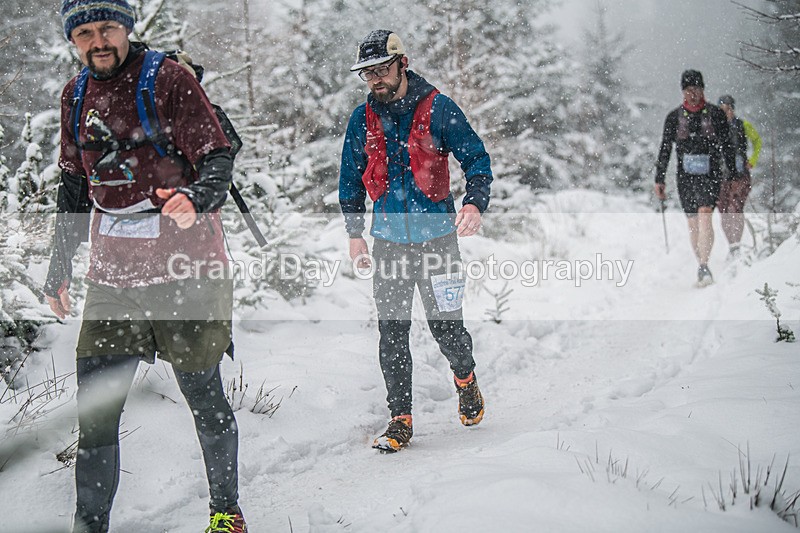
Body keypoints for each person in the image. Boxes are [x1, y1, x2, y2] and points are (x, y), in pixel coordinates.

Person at [45, 1, 246, 531]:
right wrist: (58, 266)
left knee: (203, 395)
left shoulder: (169, 79)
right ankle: (90, 525)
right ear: (74, 40)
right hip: (114, 282)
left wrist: (195, 199)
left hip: (187, 271)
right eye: (84, 33)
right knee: (96, 416)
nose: (98, 41)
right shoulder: (76, 94)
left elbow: (218, 156)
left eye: (106, 28)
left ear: (127, 28)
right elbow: (72, 185)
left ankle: (226, 512)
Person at [339, 30, 492, 452]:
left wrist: (474, 204)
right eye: (366, 73)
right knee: (392, 333)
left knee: (447, 329)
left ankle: (466, 379)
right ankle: (400, 419)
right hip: (388, 243)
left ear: (402, 64)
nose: (374, 79)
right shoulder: (361, 119)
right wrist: (355, 235)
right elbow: (350, 180)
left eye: (381, 69)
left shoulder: (439, 108)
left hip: (439, 241)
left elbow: (477, 159)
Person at [654, 69, 738, 287]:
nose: (693, 94)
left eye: (697, 89)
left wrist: (733, 173)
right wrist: (659, 178)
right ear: (683, 92)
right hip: (685, 177)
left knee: (705, 214)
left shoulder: (716, 114)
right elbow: (665, 149)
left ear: (703, 90)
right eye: (689, 90)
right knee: (693, 224)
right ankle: (700, 263)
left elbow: (728, 146)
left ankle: (704, 264)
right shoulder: (674, 118)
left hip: (711, 174)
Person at [717, 94, 762, 256]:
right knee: (723, 211)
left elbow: (757, 141)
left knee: (735, 208)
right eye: (722, 110)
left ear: (733, 109)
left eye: (728, 109)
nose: (726, 113)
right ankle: (732, 245)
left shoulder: (743, 125)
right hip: (721, 176)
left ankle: (737, 244)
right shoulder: (714, 128)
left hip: (740, 175)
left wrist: (752, 160)